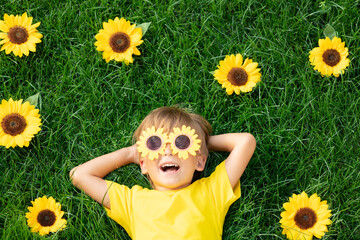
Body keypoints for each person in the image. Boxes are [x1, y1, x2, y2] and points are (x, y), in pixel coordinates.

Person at [70, 106, 256, 239]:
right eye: (155, 144)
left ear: (199, 161)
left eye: (181, 143)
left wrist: (199, 143)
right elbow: (80, 174)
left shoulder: (211, 192)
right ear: (143, 164)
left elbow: (245, 142)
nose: (168, 151)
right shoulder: (131, 202)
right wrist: (130, 153)